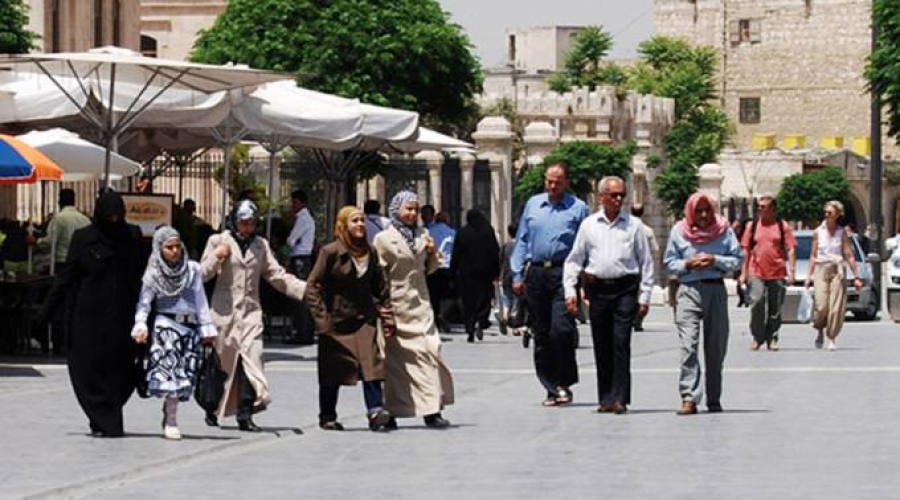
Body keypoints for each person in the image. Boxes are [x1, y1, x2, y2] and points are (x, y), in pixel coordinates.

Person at [39, 192, 146, 437]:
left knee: (123, 371)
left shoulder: (132, 236)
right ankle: (103, 417)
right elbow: (66, 278)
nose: (113, 221)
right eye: (108, 216)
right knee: (88, 369)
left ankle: (105, 414)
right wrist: (45, 312)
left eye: (117, 216)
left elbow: (143, 276)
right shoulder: (84, 238)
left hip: (123, 317)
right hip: (89, 318)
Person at [200, 200, 307, 431]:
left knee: (253, 359)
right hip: (224, 313)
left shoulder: (260, 245)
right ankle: (212, 406)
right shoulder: (218, 241)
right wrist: (217, 257)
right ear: (235, 221)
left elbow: (276, 275)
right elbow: (202, 275)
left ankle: (245, 413)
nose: (248, 227)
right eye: (244, 222)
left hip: (250, 313)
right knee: (223, 365)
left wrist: (303, 289)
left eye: (251, 223)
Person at [564, 177, 654, 414]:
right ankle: (605, 398)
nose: (618, 200)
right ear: (602, 196)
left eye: (621, 195)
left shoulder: (633, 226)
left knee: (621, 342)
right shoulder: (589, 225)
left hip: (625, 289)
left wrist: (644, 297)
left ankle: (620, 397)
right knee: (601, 343)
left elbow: (646, 263)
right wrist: (570, 291)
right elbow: (574, 259)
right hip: (598, 290)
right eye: (613, 195)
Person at [305, 206, 395, 432]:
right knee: (332, 371)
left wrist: (387, 312)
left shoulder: (371, 252)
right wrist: (322, 321)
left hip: (364, 319)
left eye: (362, 221)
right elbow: (312, 288)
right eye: (354, 221)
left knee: (371, 366)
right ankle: (327, 415)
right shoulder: (330, 252)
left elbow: (380, 287)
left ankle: (375, 411)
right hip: (336, 322)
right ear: (343, 225)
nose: (360, 225)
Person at [510, 162, 591, 407]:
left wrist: (585, 278)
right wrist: (516, 274)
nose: (553, 186)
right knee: (541, 334)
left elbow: (586, 244)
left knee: (562, 329)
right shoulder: (534, 204)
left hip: (564, 273)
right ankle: (550, 386)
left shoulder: (579, 209)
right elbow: (522, 239)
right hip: (536, 273)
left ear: (567, 182)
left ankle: (564, 381)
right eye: (549, 181)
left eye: (557, 181)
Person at [372, 191, 455, 429]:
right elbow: (379, 274)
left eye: (415, 210)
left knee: (431, 351)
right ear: (396, 209)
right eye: (407, 209)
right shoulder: (383, 239)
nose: (412, 214)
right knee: (397, 363)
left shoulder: (423, 234)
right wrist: (382, 304)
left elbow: (430, 269)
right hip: (396, 305)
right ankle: (395, 410)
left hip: (420, 303)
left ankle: (432, 409)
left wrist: (432, 253)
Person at [131, 226, 218, 440]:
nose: (175, 251)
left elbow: (200, 300)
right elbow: (144, 302)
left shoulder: (193, 270)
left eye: (177, 246)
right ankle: (171, 420)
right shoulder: (153, 273)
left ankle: (170, 412)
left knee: (184, 376)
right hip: (166, 325)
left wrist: (206, 327)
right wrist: (140, 324)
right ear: (159, 249)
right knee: (170, 374)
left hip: (189, 328)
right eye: (169, 247)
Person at [664, 192, 743, 415]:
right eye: (699, 211)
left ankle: (714, 397)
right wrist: (687, 264)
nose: (704, 215)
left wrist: (715, 260)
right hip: (688, 290)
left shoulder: (723, 230)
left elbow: (738, 259)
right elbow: (669, 262)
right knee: (688, 345)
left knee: (715, 347)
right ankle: (689, 397)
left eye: (707, 210)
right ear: (691, 212)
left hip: (715, 289)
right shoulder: (679, 231)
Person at [739, 195, 797, 351]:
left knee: (775, 307)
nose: (760, 209)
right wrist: (743, 273)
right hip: (756, 270)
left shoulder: (781, 226)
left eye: (763, 207)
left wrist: (792, 271)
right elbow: (745, 250)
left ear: (773, 209)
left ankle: (772, 337)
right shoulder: (752, 226)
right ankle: (758, 337)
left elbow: (791, 248)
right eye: (759, 206)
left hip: (777, 272)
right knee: (757, 301)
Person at [804, 200, 863, 351]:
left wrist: (857, 276)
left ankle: (831, 336)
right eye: (825, 212)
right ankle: (819, 329)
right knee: (821, 305)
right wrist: (808, 277)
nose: (826, 215)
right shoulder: (818, 232)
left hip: (838, 270)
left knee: (836, 307)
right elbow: (813, 255)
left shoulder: (841, 232)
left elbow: (849, 254)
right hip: (821, 268)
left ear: (837, 214)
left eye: (830, 212)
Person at [451, 209, 501, 343]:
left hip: (467, 274)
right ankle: (481, 321)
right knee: (484, 299)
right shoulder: (488, 231)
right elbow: (495, 252)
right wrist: (497, 271)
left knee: (469, 302)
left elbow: (456, 254)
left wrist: (452, 272)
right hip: (485, 273)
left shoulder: (462, 233)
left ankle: (470, 327)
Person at [285, 189, 316, 345]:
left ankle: (302, 332)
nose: (293, 206)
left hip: (300, 258)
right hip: (302, 258)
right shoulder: (305, 218)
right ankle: (304, 331)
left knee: (300, 297)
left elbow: (291, 240)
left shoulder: (303, 218)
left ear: (302, 203)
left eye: (295, 202)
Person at [420, 204, 456, 332]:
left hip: (433, 267)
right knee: (447, 294)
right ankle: (443, 314)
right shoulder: (452, 233)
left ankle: (435, 316)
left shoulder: (428, 232)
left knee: (432, 294)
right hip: (447, 267)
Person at [629, 203, 659, 332]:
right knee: (642, 294)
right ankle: (638, 321)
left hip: (629, 268)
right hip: (642, 268)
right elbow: (655, 249)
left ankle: (629, 318)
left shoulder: (626, 228)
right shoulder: (647, 230)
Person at [498, 224, 518, 335]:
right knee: (516, 301)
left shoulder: (505, 247)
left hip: (505, 276)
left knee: (506, 301)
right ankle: (515, 327)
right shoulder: (521, 246)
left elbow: (500, 262)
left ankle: (504, 317)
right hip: (517, 277)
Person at [731, 219, 750, 308]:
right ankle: (742, 299)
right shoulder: (733, 236)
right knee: (739, 283)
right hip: (738, 262)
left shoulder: (744, 236)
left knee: (747, 282)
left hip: (746, 262)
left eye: (737, 227)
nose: (736, 229)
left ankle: (747, 299)